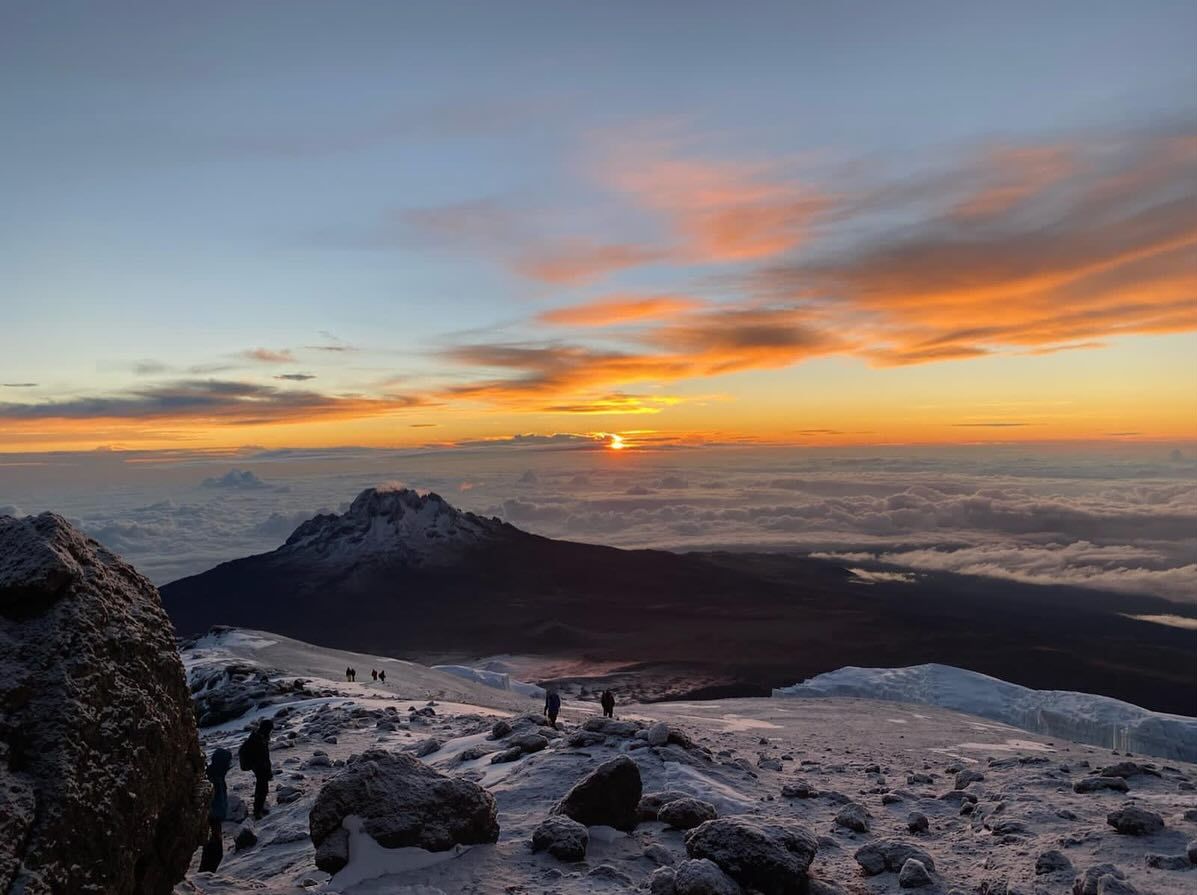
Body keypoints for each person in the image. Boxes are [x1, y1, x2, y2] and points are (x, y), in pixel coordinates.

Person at [198, 747, 231, 872]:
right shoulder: (213, 777)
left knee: (215, 852)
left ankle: (206, 876)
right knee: (214, 852)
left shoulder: (217, 774)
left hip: (215, 819)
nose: (229, 765)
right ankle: (205, 877)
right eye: (227, 762)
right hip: (212, 820)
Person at [240, 718, 274, 820]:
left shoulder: (260, 737)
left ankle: (259, 807)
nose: (271, 731)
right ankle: (257, 811)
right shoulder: (258, 739)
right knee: (261, 789)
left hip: (261, 766)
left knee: (263, 788)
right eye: (270, 729)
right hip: (259, 767)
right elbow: (261, 756)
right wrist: (265, 769)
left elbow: (265, 756)